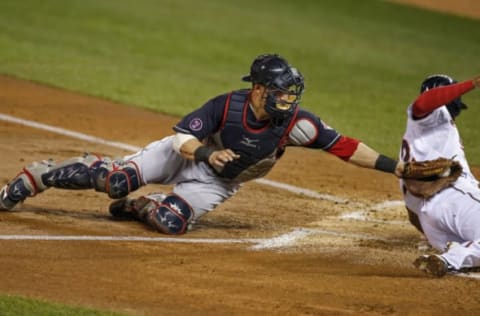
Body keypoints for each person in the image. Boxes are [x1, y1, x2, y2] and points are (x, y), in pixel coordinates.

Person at [0, 53, 404, 234]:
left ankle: (141, 207)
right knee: (117, 179)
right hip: (182, 157)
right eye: (282, 92)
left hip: (217, 182)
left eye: (291, 93)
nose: (289, 100)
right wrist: (208, 151)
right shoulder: (226, 105)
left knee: (171, 222)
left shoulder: (299, 125)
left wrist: (397, 167)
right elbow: (181, 138)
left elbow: (348, 147)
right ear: (260, 89)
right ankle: (37, 177)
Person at [399, 74, 480, 277]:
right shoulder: (435, 115)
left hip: (431, 222)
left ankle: (450, 257)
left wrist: (430, 232)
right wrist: (472, 83)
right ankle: (450, 260)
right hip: (453, 200)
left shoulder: (421, 140)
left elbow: (412, 212)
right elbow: (422, 103)